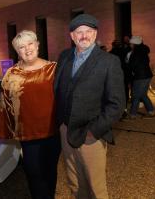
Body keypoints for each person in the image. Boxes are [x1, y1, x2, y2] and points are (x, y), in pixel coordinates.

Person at [54, 14, 125, 199]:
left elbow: (117, 104)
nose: (84, 36)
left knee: (96, 188)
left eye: (88, 31)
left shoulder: (109, 62)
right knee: (75, 183)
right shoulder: (64, 57)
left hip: (90, 135)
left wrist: (93, 131)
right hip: (66, 130)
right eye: (79, 32)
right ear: (72, 36)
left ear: (95, 34)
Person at [0, 30, 60, 199]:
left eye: (30, 44)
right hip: (28, 135)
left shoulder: (54, 69)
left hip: (53, 132)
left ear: (37, 45)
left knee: (50, 172)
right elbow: (4, 104)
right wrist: (6, 130)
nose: (27, 49)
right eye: (21, 47)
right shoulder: (11, 74)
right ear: (17, 51)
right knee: (34, 174)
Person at [127, 36, 155, 119]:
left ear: (134, 44)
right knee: (143, 95)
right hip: (147, 75)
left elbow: (133, 65)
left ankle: (133, 114)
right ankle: (151, 111)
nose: (130, 45)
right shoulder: (143, 51)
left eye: (131, 43)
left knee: (136, 96)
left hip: (140, 76)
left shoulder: (135, 53)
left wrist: (129, 68)